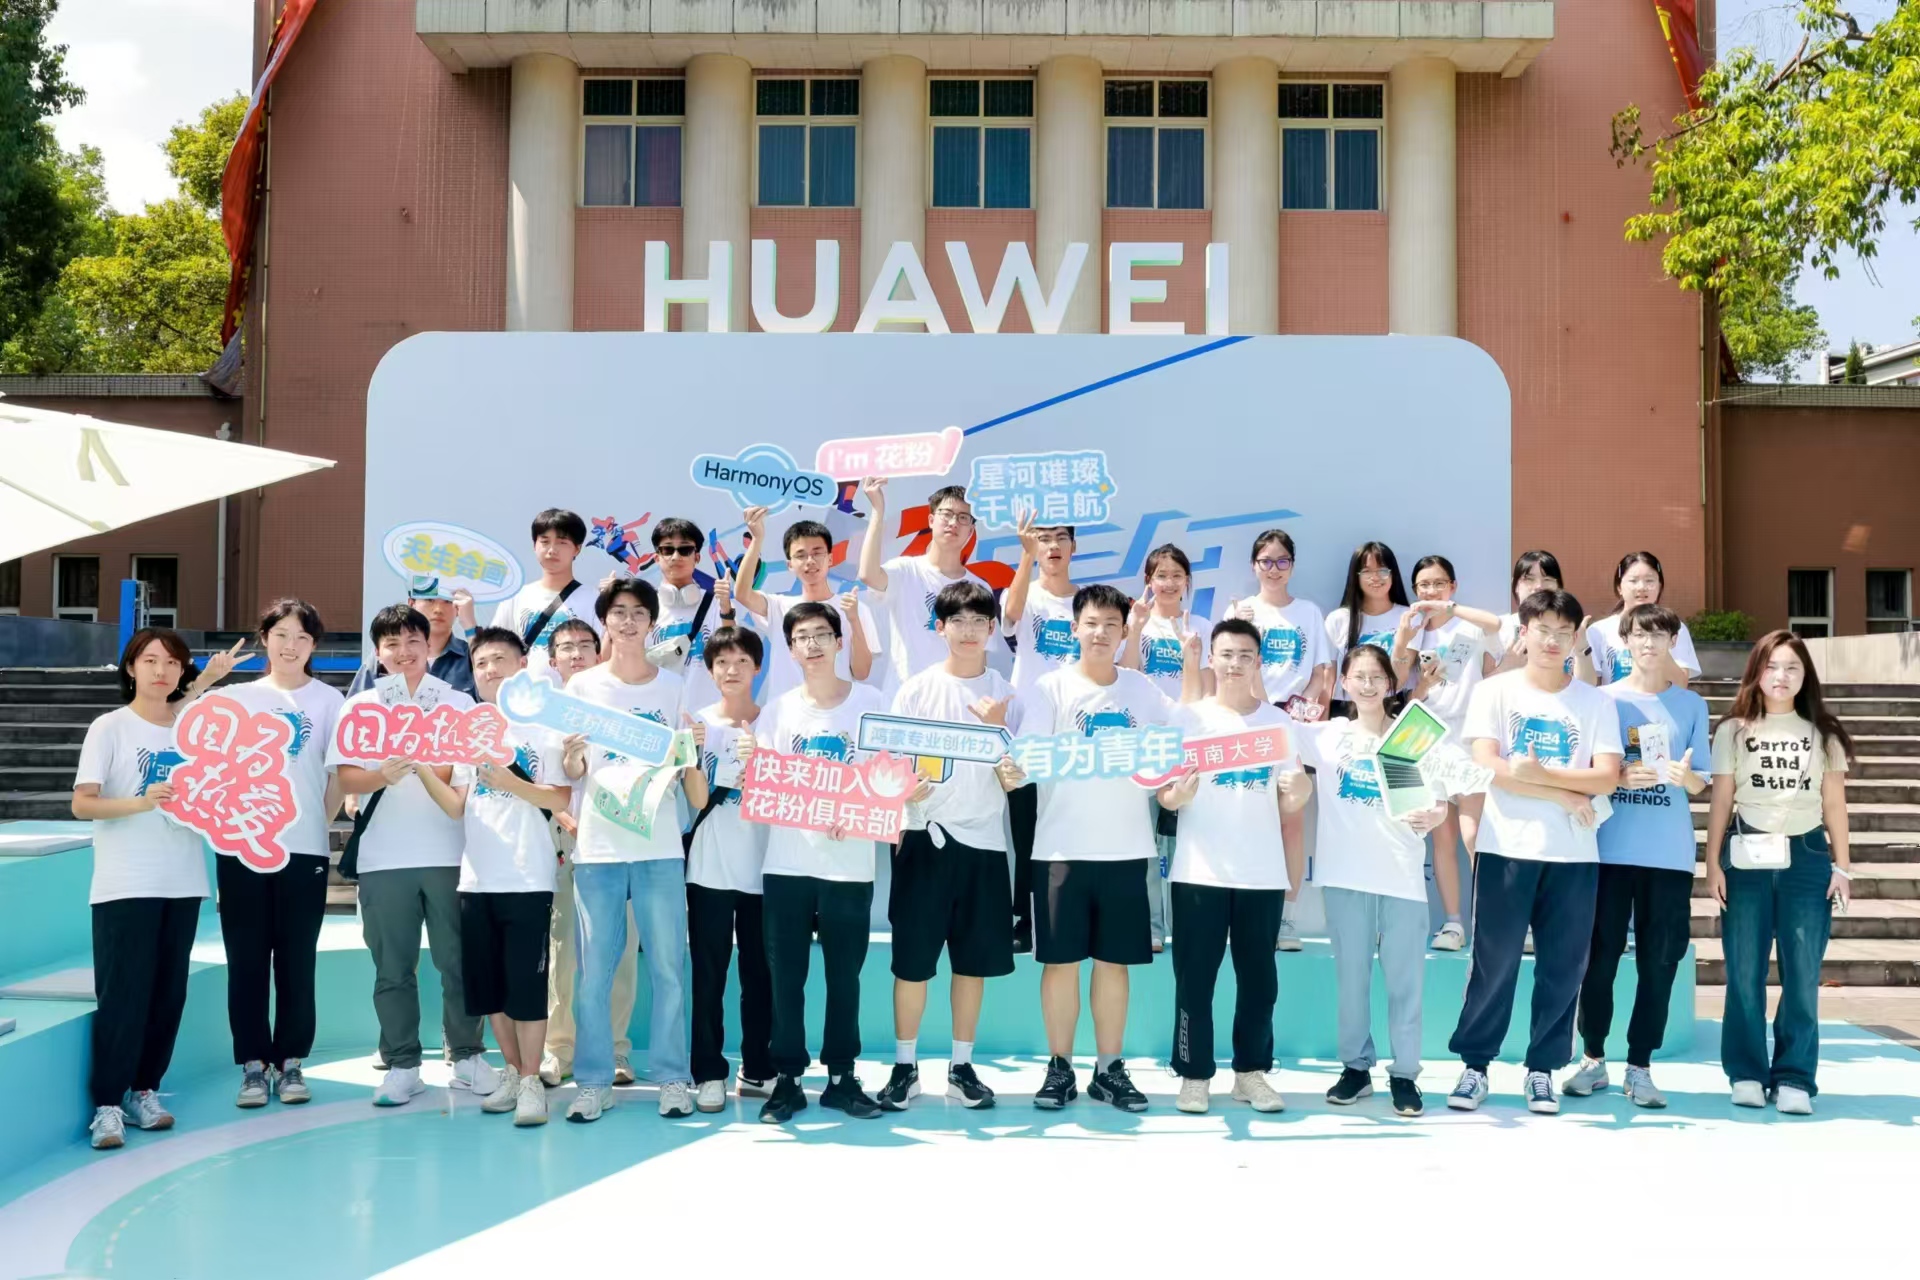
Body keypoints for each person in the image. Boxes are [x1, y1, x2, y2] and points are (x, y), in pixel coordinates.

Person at [1446, 589, 1621, 1115]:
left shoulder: (1596, 702)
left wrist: (1541, 775)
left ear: (1574, 638)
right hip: (1506, 847)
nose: (1552, 640)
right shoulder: (1495, 692)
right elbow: (1490, 765)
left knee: (1563, 967)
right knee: (1493, 962)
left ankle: (1542, 1070)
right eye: (1542, 629)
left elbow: (1606, 777)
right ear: (1523, 632)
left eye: (1563, 632)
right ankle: (1475, 1066)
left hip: (1574, 855)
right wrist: (1564, 793)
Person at [1016, 584, 1189, 1113]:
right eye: (1091, 623)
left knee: (1114, 965)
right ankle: (1059, 1067)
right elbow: (1026, 756)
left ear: (1124, 631)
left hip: (1126, 850)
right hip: (1060, 851)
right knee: (1060, 964)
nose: (1100, 633)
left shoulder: (1143, 690)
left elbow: (1185, 732)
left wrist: (1194, 662)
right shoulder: (1050, 688)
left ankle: (1109, 1068)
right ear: (1075, 628)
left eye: (1112, 625)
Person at [328, 606, 497, 1107]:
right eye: (391, 644)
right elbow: (347, 777)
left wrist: (425, 766)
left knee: (457, 962)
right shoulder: (361, 707)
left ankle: (466, 1056)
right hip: (383, 857)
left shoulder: (457, 702)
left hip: (450, 852)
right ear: (378, 653)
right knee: (392, 967)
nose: (403, 653)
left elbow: (462, 777)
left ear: (429, 645)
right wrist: (384, 773)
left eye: (412, 642)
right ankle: (403, 1064)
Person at [416, 628, 573, 1127]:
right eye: (481, 663)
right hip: (477, 879)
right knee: (489, 987)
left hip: (528, 877)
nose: (490, 670)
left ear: (523, 664)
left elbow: (560, 798)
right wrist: (422, 768)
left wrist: (510, 781)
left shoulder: (544, 728)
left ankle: (531, 1081)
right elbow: (457, 806)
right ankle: (510, 1071)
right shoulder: (471, 732)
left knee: (526, 986)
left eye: (500, 660)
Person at [876, 582, 1022, 1112]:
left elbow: (1016, 778)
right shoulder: (916, 690)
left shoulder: (1006, 694)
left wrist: (998, 732)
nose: (968, 631)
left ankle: (962, 1068)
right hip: (923, 837)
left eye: (979, 621)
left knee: (971, 963)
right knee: (912, 963)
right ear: (939, 628)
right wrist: (903, 792)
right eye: (957, 621)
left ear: (992, 629)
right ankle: (904, 1066)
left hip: (983, 843)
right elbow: (887, 770)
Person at [1562, 604, 1711, 1109]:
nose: (1649, 643)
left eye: (1659, 635)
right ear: (1625, 641)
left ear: (1673, 642)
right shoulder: (1602, 699)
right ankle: (1593, 1058)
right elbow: (1586, 771)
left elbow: (1701, 781)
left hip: (1667, 854)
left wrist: (1685, 778)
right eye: (1640, 635)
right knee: (1598, 957)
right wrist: (1619, 776)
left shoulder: (1691, 705)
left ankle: (1640, 1067)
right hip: (1607, 850)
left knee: (1659, 961)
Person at [1159, 618, 1308, 1114]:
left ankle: (1251, 1074)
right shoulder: (1187, 719)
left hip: (1260, 873)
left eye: (1245, 655)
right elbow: (1165, 794)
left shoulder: (1279, 724)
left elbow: (1290, 801)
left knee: (1260, 981)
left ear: (1259, 661)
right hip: (1199, 872)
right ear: (1212, 660)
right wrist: (1176, 797)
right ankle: (1193, 1074)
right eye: (1226, 654)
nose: (1235, 664)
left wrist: (1301, 791)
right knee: (1194, 979)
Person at [71, 629, 212, 1150]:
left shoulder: (193, 731)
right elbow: (83, 803)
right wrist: (143, 801)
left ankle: (144, 1091)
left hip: (183, 879)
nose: (161, 670)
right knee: (124, 995)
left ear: (182, 672)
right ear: (131, 667)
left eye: (172, 662)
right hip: (126, 881)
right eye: (150, 660)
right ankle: (107, 1104)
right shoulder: (109, 727)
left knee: (167, 994)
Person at [562, 578, 697, 1122]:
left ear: (652, 623)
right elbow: (571, 770)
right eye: (618, 612)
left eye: (639, 612)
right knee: (594, 971)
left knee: (668, 967)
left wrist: (689, 753)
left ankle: (672, 1076)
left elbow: (685, 762)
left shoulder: (674, 688)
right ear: (605, 622)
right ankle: (593, 1081)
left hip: (659, 844)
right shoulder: (581, 687)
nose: (628, 621)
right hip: (597, 847)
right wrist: (573, 758)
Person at [1705, 630, 1855, 1115]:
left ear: (1805, 675)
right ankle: (1747, 1072)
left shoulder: (1823, 734)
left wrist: (1842, 867)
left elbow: (1835, 804)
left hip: (1807, 857)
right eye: (1771, 666)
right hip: (1746, 856)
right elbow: (1722, 799)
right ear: (1756, 672)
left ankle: (1794, 1076)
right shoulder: (1733, 731)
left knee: (1803, 973)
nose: (1781, 676)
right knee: (1743, 971)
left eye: (1792, 667)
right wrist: (1712, 862)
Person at [754, 602, 890, 1124]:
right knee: (786, 978)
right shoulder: (778, 711)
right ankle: (787, 1079)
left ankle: (841, 1078)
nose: (812, 645)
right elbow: (764, 783)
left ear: (839, 641)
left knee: (844, 977)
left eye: (821, 635)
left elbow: (888, 775)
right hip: (788, 864)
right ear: (791, 650)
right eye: (802, 637)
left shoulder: (871, 704)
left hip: (849, 866)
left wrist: (855, 811)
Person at [1299, 645, 1449, 1118]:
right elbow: (1267, 727)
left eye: (1376, 677)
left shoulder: (1411, 736)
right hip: (1345, 876)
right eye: (1358, 676)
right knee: (1352, 979)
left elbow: (1440, 799)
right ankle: (1355, 1068)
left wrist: (1436, 813)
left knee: (1405, 982)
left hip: (1401, 875)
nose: (1367, 685)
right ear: (1344, 683)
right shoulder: (1327, 737)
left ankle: (1404, 1074)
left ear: (1391, 684)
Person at [214, 599, 345, 1108]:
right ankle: (252, 1064)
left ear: (314, 646)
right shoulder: (238, 697)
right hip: (242, 847)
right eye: (282, 634)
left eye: (302, 637)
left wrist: (315, 821)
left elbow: (337, 776)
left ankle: (290, 1062)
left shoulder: (329, 701)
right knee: (246, 959)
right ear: (264, 638)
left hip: (303, 850)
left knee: (296, 959)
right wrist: (207, 679)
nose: (291, 646)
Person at [538, 619, 639, 1087]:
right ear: (552, 660)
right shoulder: (541, 716)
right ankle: (559, 1049)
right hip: (564, 840)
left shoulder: (619, 707)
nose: (576, 654)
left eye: (584, 645)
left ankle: (615, 1049)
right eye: (566, 648)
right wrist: (564, 816)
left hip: (620, 840)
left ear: (600, 652)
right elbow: (537, 781)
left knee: (621, 946)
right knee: (564, 947)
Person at [682, 625, 776, 1113]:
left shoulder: (776, 722)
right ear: (710, 670)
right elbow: (697, 800)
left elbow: (785, 798)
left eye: (741, 661)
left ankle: (758, 1067)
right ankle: (708, 1071)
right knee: (709, 974)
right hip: (710, 868)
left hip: (766, 866)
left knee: (761, 974)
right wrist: (694, 757)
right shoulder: (696, 724)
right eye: (722, 662)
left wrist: (760, 762)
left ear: (757, 667)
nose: (731, 670)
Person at [1227, 529, 1331, 952]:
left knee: (1291, 822)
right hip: (1248, 727)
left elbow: (1322, 672)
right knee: (1244, 814)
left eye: (1282, 561)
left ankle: (1286, 917)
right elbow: (1229, 670)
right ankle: (1237, 912)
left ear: (1292, 565)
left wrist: (1300, 709)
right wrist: (1263, 710)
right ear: (1254, 565)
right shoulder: (1241, 610)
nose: (1274, 569)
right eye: (1266, 561)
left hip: (1293, 729)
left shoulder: (1308, 612)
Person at [1393, 554, 1503, 951]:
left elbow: (1497, 626)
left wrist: (1449, 609)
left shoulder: (1469, 625)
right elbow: (1398, 684)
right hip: (1426, 737)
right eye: (1423, 585)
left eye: (1439, 584)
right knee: (1442, 837)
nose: (1430, 591)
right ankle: (1453, 923)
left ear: (1452, 587)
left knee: (1474, 835)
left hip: (1470, 736)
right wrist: (1403, 638)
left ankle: (1493, 921)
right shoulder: (1413, 631)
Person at [1001, 512, 1082, 955]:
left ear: (1073, 547)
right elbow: (1010, 617)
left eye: (1060, 538)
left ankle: (1067, 913)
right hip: (1028, 731)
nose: (1052, 546)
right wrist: (1025, 557)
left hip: (1075, 735)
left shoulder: (1088, 602)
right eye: (1043, 539)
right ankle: (1025, 918)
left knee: (1070, 823)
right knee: (1026, 831)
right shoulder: (1024, 592)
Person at [1124, 543, 1212, 948]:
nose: (1170, 583)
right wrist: (1135, 629)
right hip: (1144, 745)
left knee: (1186, 839)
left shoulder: (1202, 626)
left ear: (1187, 581)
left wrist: (1190, 653)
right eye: (1162, 575)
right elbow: (1125, 681)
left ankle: (1188, 925)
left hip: (1187, 744)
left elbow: (1207, 693)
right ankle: (1151, 926)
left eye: (1177, 575)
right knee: (1143, 839)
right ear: (1149, 581)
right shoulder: (1133, 622)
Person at [856, 478, 996, 692]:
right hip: (906, 696)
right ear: (931, 520)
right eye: (946, 514)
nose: (953, 523)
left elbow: (980, 655)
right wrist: (877, 510)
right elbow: (868, 574)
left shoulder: (979, 587)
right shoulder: (906, 570)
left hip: (955, 698)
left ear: (971, 530)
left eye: (963, 517)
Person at [731, 505, 879, 704]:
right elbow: (742, 594)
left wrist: (853, 619)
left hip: (836, 711)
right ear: (790, 565)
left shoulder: (855, 608)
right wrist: (757, 539)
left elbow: (861, 673)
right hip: (787, 713)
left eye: (817, 553)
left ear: (830, 558)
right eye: (801, 555)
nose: (810, 561)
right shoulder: (779, 606)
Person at [461, 508, 601, 681]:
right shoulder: (516, 597)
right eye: (545, 541)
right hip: (525, 694)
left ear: (577, 549)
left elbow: (605, 655)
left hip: (578, 694)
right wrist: (469, 622)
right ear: (535, 546)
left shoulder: (593, 598)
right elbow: (492, 651)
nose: (552, 550)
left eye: (562, 542)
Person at [645, 515, 734, 713]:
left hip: (707, 714)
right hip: (657, 713)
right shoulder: (644, 606)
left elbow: (732, 650)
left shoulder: (716, 602)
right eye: (667, 549)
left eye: (685, 550)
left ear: (697, 557)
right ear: (656, 558)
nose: (676, 557)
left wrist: (726, 608)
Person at [1586, 552, 1702, 688]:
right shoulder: (1598, 631)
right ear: (1619, 587)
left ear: (1660, 586)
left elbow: (1680, 685)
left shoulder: (1675, 628)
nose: (1641, 587)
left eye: (1649, 580)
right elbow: (1590, 686)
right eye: (1633, 581)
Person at [350, 574, 476, 699]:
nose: (438, 609)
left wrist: (470, 626)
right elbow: (355, 707)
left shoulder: (471, 656)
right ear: (411, 603)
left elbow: (486, 702)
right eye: (429, 600)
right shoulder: (382, 658)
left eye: (448, 601)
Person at [1492, 551, 1596, 684]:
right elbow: (1477, 688)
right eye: (1530, 579)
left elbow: (1588, 686)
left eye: (1547, 580)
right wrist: (1504, 668)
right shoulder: (1498, 629)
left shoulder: (1574, 629)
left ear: (1559, 587)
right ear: (1515, 585)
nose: (1539, 587)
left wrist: (1581, 648)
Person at [1325, 541, 1412, 677]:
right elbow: (1328, 674)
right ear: (1356, 577)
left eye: (1383, 570)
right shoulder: (1338, 619)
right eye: (1366, 571)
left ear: (1393, 575)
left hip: (1394, 691)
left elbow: (1404, 674)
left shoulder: (1408, 617)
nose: (1375, 578)